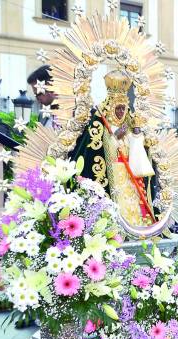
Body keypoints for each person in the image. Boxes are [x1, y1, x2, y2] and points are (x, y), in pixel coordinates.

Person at [68, 70, 156, 226]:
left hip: (129, 176)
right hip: (112, 177)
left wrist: (136, 136)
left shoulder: (128, 128)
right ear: (111, 107)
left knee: (133, 206)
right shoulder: (99, 125)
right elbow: (95, 150)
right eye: (118, 108)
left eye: (123, 108)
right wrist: (115, 138)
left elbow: (138, 154)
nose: (121, 112)